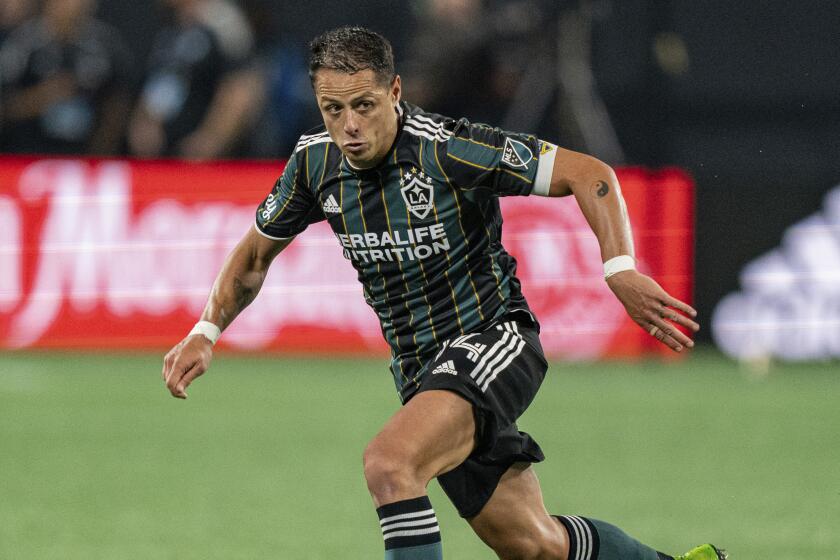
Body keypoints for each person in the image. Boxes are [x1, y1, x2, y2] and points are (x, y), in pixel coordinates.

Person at [161, 26, 725, 560]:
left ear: (396, 92)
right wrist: (204, 332)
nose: (349, 125)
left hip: (495, 340)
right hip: (423, 375)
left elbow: (590, 171)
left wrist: (619, 267)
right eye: (333, 109)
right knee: (534, 545)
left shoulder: (449, 149)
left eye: (364, 105)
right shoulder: (314, 164)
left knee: (389, 464)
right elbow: (254, 256)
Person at [127, 0, 264, 160]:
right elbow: (163, 81)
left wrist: (211, 138)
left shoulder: (223, 22)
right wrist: (145, 120)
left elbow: (241, 86)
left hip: (209, 164)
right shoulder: (172, 26)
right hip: (166, 156)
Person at [0, 0, 132, 155]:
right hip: (27, 152)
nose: (70, 5)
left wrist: (101, 152)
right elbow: (5, 104)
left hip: (87, 154)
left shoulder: (105, 43)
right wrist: (40, 97)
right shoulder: (20, 42)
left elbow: (120, 100)